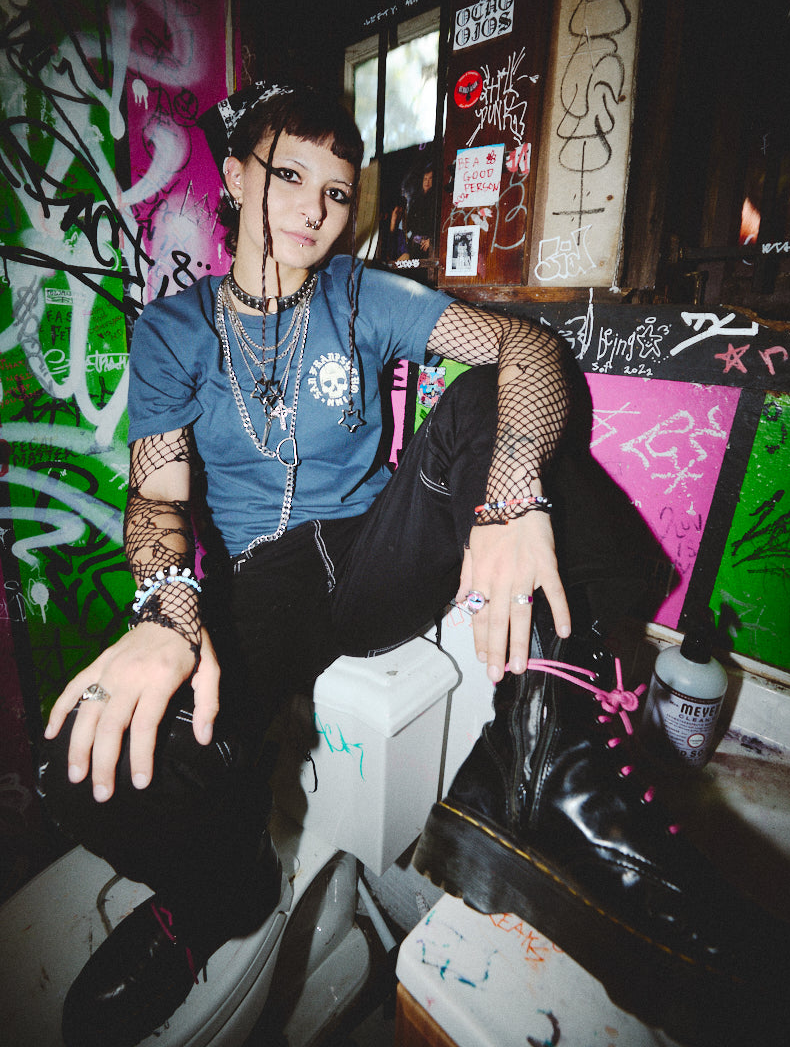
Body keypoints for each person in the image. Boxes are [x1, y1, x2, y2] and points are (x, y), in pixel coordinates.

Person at [38, 81, 573, 1047]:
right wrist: (167, 612)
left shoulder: (363, 296)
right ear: (236, 180)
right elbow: (156, 495)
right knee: (75, 767)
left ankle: (574, 744)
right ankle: (221, 893)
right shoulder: (172, 335)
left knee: (485, 405)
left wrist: (508, 496)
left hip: (376, 559)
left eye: (336, 192)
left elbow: (525, 349)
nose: (315, 212)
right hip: (264, 579)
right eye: (290, 176)